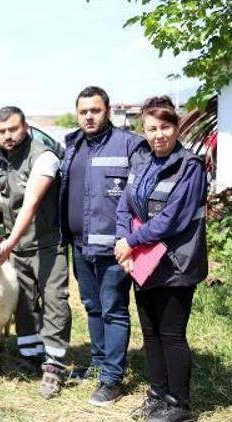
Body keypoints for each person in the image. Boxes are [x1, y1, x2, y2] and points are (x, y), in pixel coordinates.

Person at [115, 96, 207, 422]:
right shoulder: (141, 160)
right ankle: (157, 395)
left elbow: (172, 219)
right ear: (144, 129)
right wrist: (122, 242)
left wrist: (130, 242)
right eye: (151, 128)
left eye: (165, 126)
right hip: (143, 261)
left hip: (176, 264)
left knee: (171, 334)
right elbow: (125, 205)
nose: (158, 135)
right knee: (150, 333)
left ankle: (179, 404)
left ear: (177, 126)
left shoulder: (190, 166)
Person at [0, 106, 71, 399]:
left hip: (46, 243)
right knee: (23, 303)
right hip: (15, 246)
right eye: (2, 131)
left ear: (25, 127)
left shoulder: (43, 156)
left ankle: (54, 366)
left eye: (13, 129)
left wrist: (8, 244)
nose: (7, 136)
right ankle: (31, 357)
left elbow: (30, 204)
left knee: (55, 301)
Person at [60, 86, 143, 406]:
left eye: (95, 110)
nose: (89, 116)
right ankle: (98, 363)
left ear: (107, 110)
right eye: (83, 111)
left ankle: (112, 379)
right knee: (93, 306)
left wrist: (131, 241)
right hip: (80, 245)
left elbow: (141, 195)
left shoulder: (129, 145)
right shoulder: (73, 144)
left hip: (115, 248)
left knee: (114, 309)